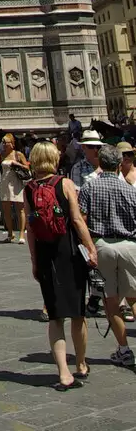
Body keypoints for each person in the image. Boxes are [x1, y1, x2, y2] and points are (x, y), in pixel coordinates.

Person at [24, 141, 98, 389]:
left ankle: (64, 373)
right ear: (54, 159)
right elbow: (77, 220)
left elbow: (31, 230)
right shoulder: (64, 184)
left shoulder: (28, 189)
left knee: (56, 317)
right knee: (78, 314)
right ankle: (81, 363)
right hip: (69, 253)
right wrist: (90, 248)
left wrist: (34, 261)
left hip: (46, 257)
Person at [77, 143, 136, 368]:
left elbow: (81, 219)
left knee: (111, 300)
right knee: (134, 297)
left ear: (100, 163)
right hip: (130, 245)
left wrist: (87, 247)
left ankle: (124, 349)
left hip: (102, 245)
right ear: (119, 164)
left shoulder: (89, 188)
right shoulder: (130, 189)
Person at [0, 134, 31, 242]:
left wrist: (16, 163)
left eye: (6, 142)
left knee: (20, 209)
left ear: (12, 143)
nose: (4, 144)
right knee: (6, 210)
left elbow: (27, 167)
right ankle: (10, 233)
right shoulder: (2, 154)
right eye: (3, 142)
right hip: (5, 183)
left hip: (16, 183)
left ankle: (22, 234)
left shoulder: (18, 154)